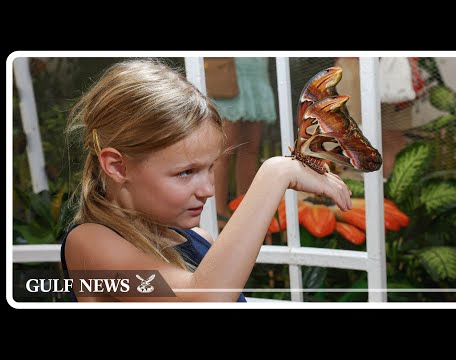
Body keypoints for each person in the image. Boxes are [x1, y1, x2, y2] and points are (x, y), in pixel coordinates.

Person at [60, 58, 352, 303]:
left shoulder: (201, 241)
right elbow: (204, 301)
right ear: (118, 166)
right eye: (185, 172)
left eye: (211, 167)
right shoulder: (90, 245)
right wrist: (276, 172)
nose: (208, 190)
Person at [211, 57, 277, 230]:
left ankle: (244, 209)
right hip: (228, 70)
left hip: (257, 71)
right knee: (224, 152)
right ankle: (218, 213)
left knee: (251, 149)